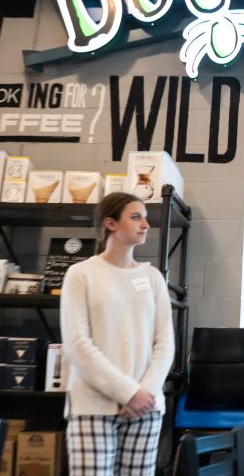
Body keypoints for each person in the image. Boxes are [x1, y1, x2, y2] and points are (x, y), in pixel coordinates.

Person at [61, 192, 175, 476]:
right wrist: (128, 392)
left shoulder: (152, 278)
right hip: (93, 407)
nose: (145, 224)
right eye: (135, 217)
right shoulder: (81, 274)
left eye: (145, 217)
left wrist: (143, 393)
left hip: (145, 408)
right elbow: (78, 345)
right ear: (110, 223)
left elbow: (165, 343)